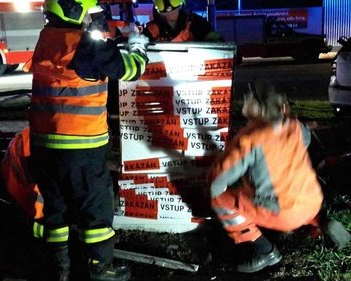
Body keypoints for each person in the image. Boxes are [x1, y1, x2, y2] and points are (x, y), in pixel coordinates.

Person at [26, 0, 149, 280]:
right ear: (74, 9)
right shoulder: (81, 45)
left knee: (56, 207)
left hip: (44, 144)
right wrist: (138, 45)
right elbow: (130, 69)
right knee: (95, 206)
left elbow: (89, 63)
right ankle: (100, 268)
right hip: (80, 145)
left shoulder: (47, 39)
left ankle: (60, 269)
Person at [207, 82, 325, 273]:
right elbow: (305, 135)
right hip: (312, 204)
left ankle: (264, 251)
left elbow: (219, 180)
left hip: (285, 212)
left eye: (248, 98)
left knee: (221, 200)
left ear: (257, 107)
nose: (244, 101)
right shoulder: (295, 127)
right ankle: (318, 223)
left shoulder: (251, 137)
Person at [143, 0, 223, 42]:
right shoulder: (152, 29)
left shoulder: (196, 23)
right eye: (166, 15)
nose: (170, 16)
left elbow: (218, 44)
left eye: (174, 13)